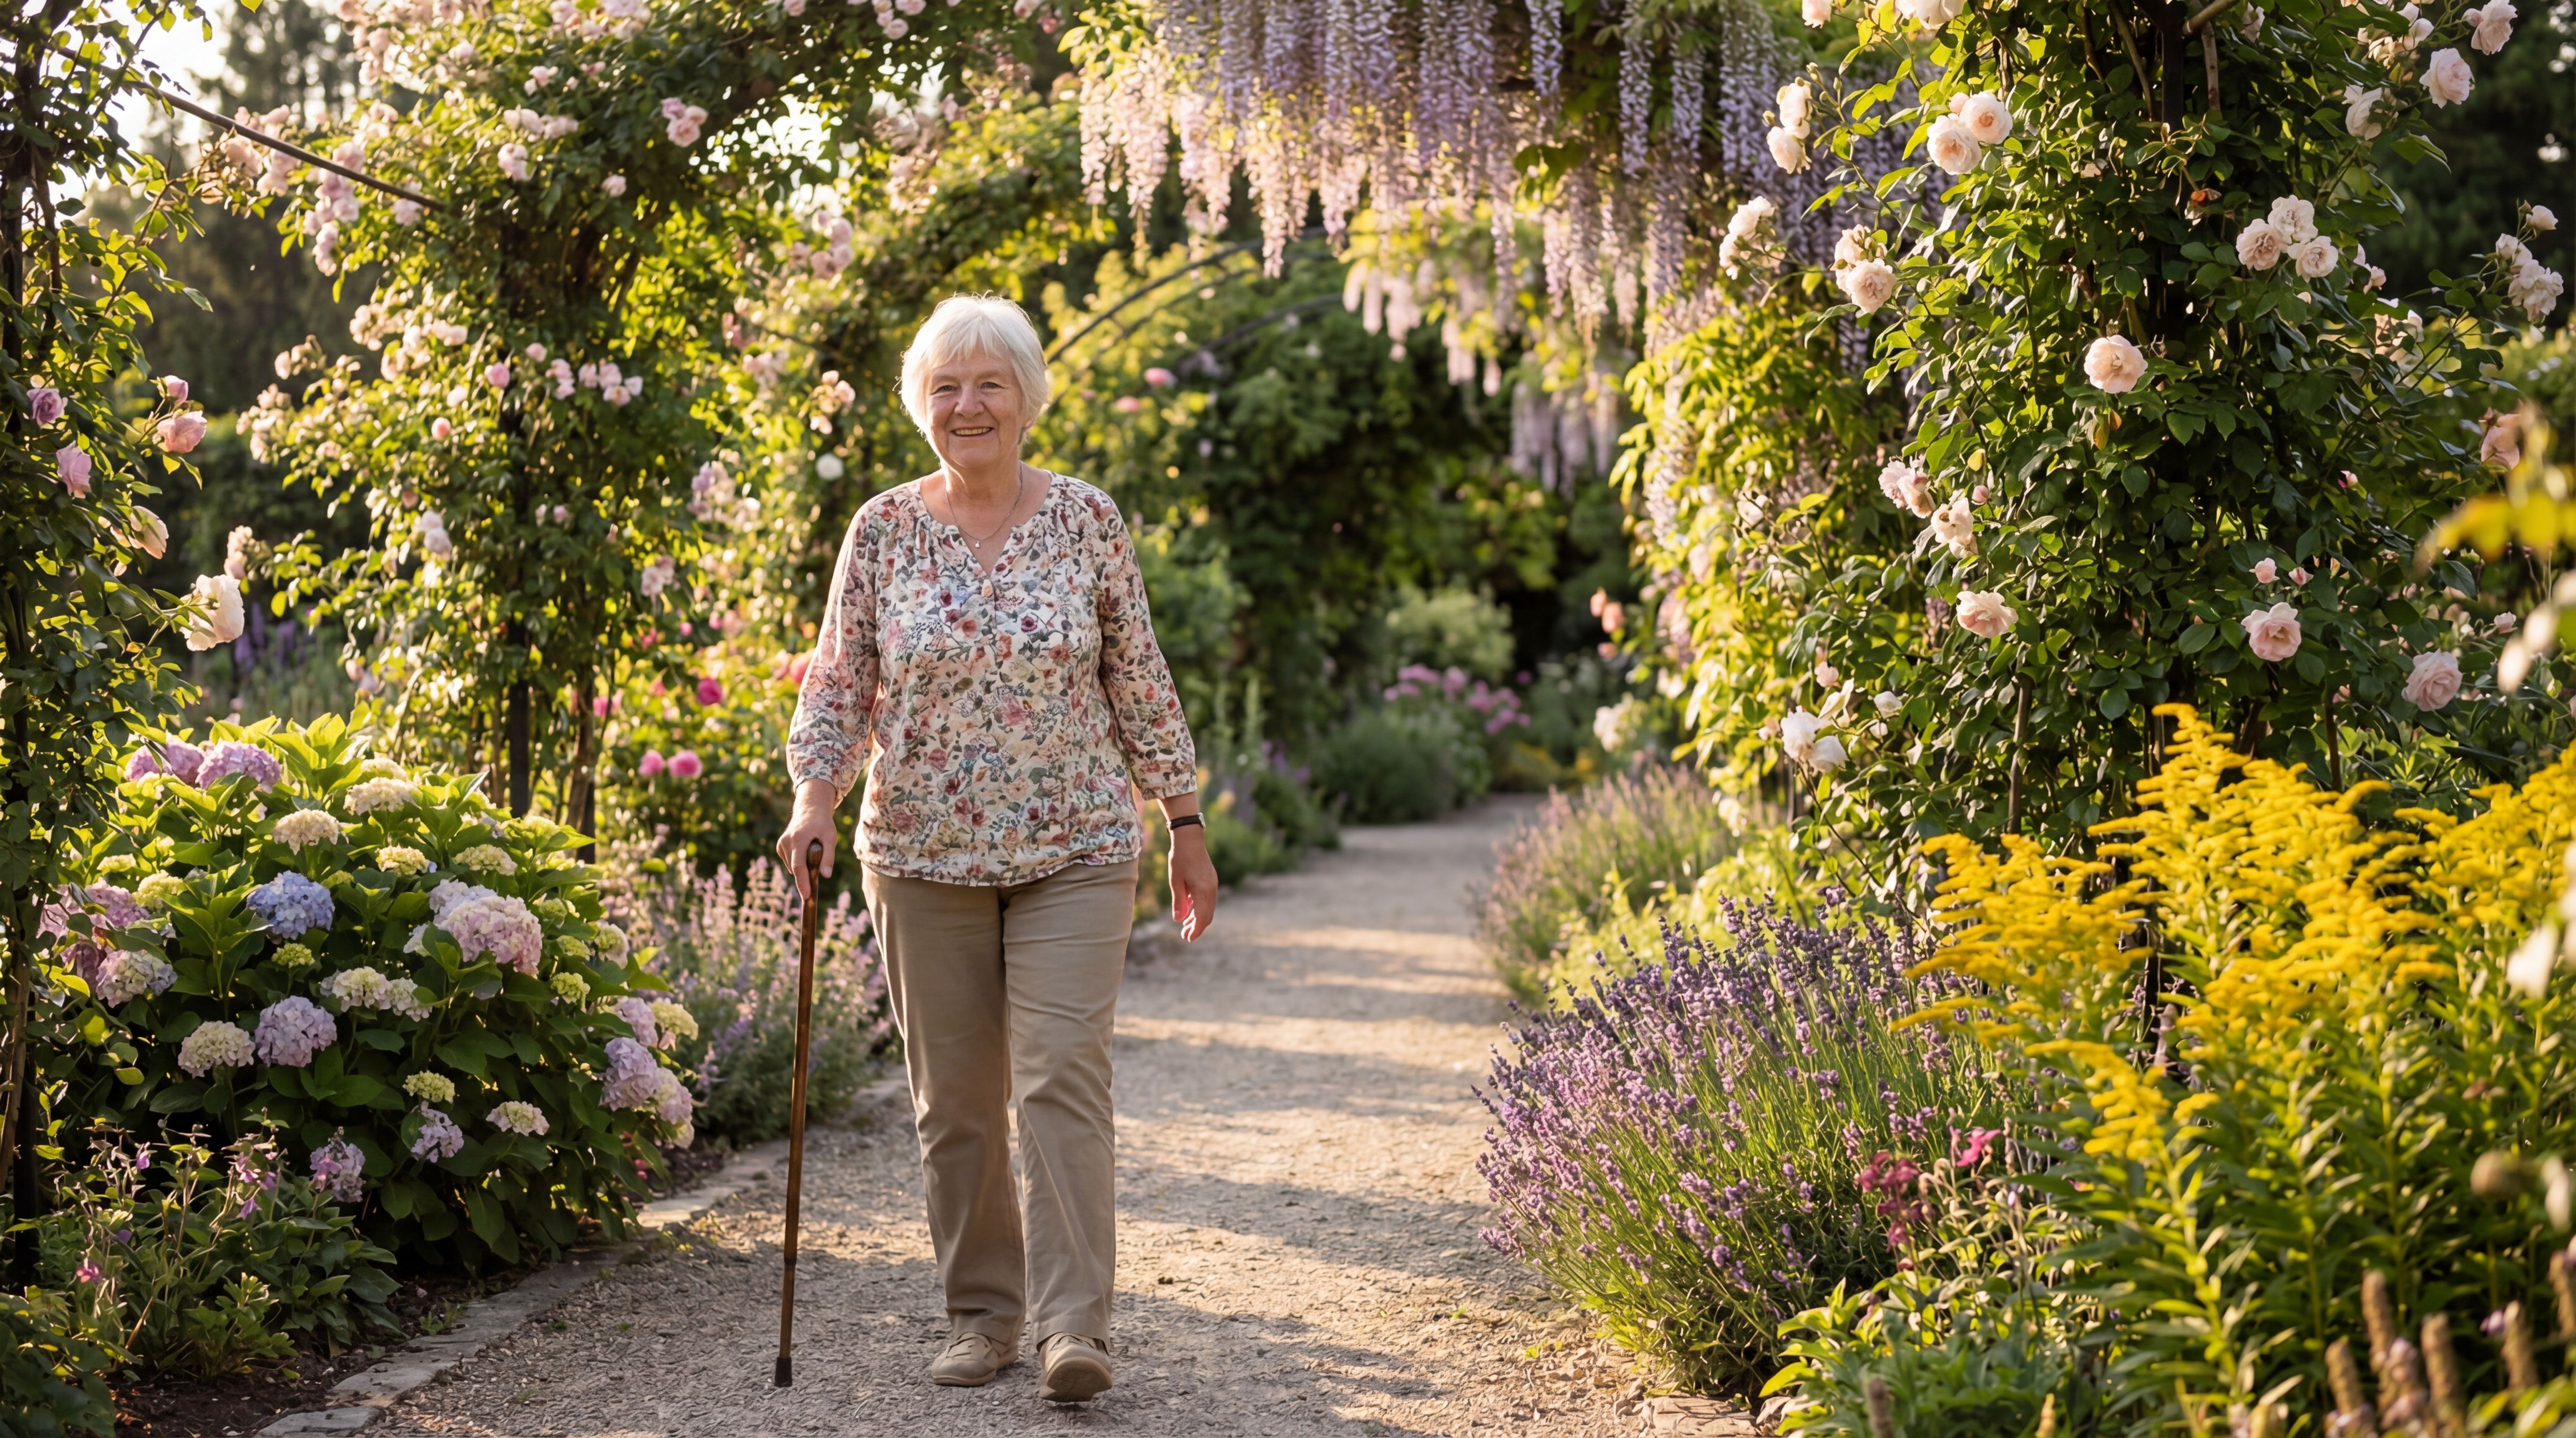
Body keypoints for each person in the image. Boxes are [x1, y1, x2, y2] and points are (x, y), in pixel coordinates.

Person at [778, 294, 1218, 1404]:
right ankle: (983, 1317)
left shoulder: (1085, 520)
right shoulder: (882, 529)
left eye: (988, 384)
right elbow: (841, 679)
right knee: (956, 1101)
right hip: (920, 853)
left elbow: (1136, 674)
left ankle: (1077, 1328)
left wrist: (1183, 821)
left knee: (1061, 1078)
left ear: (1027, 398)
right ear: (921, 404)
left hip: (1074, 844)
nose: (967, 404)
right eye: (946, 386)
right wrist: (814, 797)